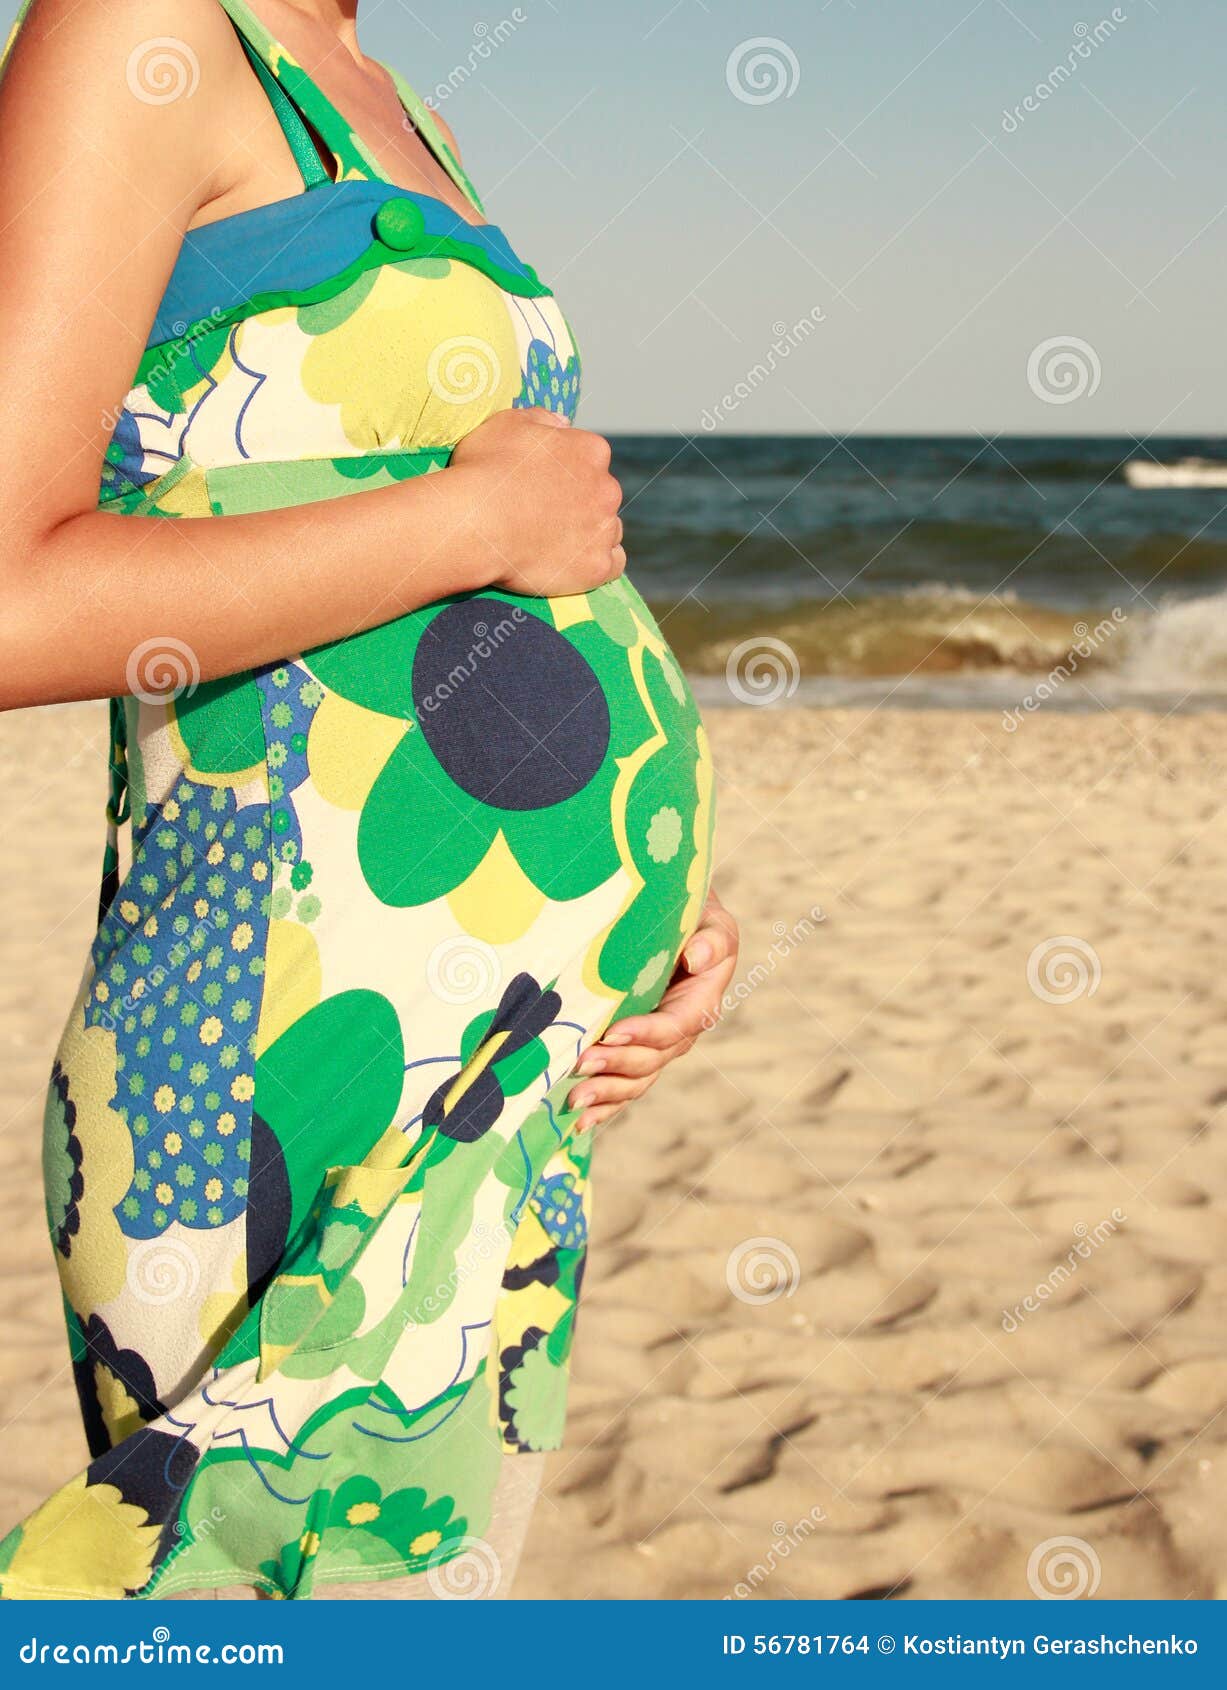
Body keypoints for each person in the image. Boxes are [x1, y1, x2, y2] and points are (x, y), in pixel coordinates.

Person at [0, 0, 738, 1599]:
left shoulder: (390, 96)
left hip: (496, 1080)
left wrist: (644, 883)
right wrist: (477, 524)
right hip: (279, 1070)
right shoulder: (138, 30)